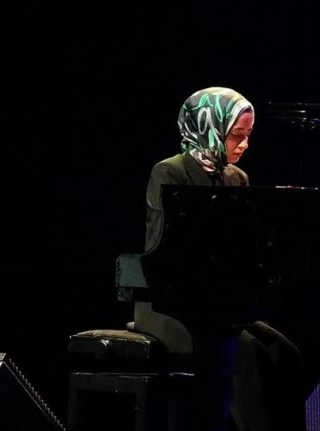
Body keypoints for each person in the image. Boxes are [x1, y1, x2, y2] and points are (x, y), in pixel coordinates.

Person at [131, 86, 306, 431]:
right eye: (237, 135)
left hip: (220, 305)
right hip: (170, 305)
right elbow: (164, 250)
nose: (245, 144)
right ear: (209, 128)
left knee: (284, 353)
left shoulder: (236, 178)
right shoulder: (169, 172)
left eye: (248, 135)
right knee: (245, 353)